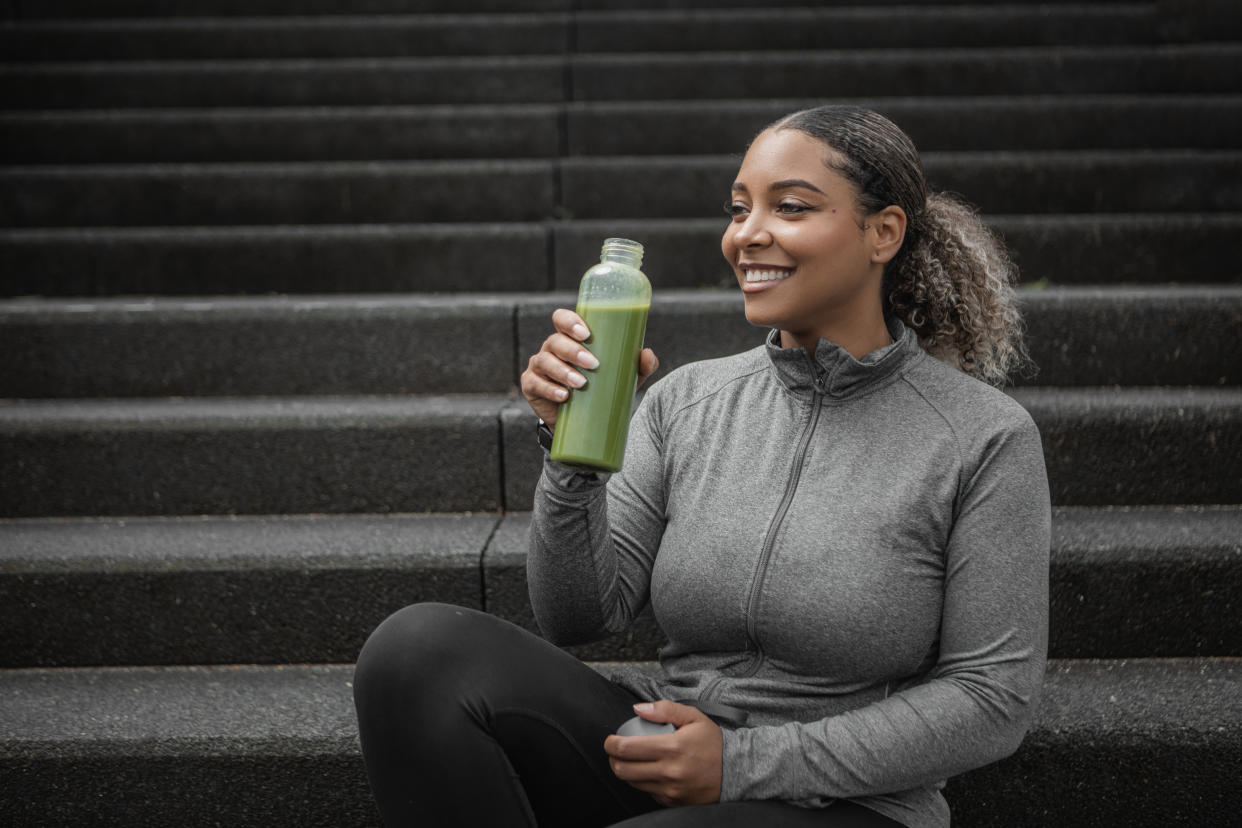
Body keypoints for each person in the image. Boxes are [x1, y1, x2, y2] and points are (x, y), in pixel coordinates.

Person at [353, 105, 1051, 828]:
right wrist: (572, 456)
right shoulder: (687, 400)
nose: (748, 235)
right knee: (418, 651)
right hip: (671, 755)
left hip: (848, 803)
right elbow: (576, 614)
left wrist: (744, 765)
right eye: (739, 208)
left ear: (884, 233)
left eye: (790, 207)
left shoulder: (981, 438)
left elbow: (991, 696)